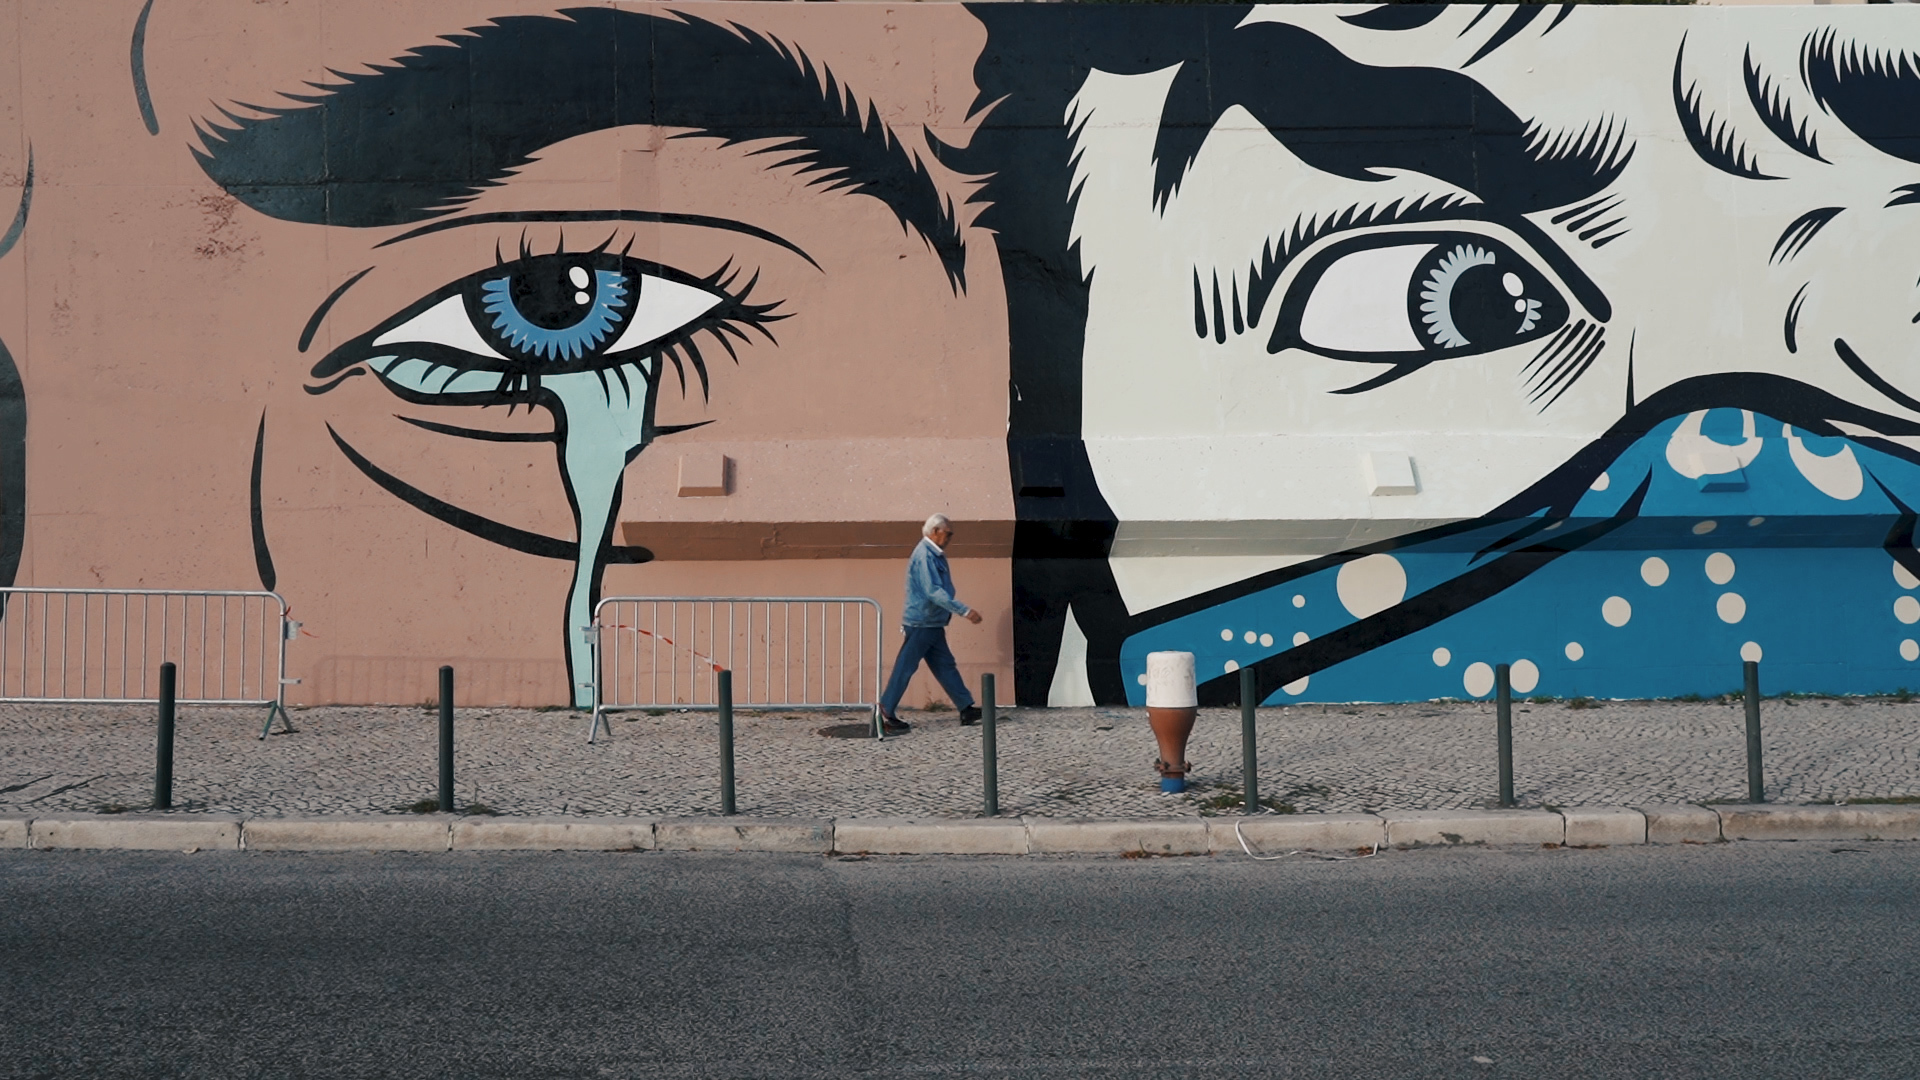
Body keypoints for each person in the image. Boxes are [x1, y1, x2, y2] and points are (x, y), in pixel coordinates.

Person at [879, 514, 984, 733]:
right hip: (922, 622)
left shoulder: (934, 554)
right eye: (948, 533)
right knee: (906, 667)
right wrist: (964, 610)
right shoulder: (925, 556)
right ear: (935, 531)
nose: (950, 538)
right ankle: (885, 711)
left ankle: (966, 707)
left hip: (932, 622)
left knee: (945, 666)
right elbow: (933, 591)